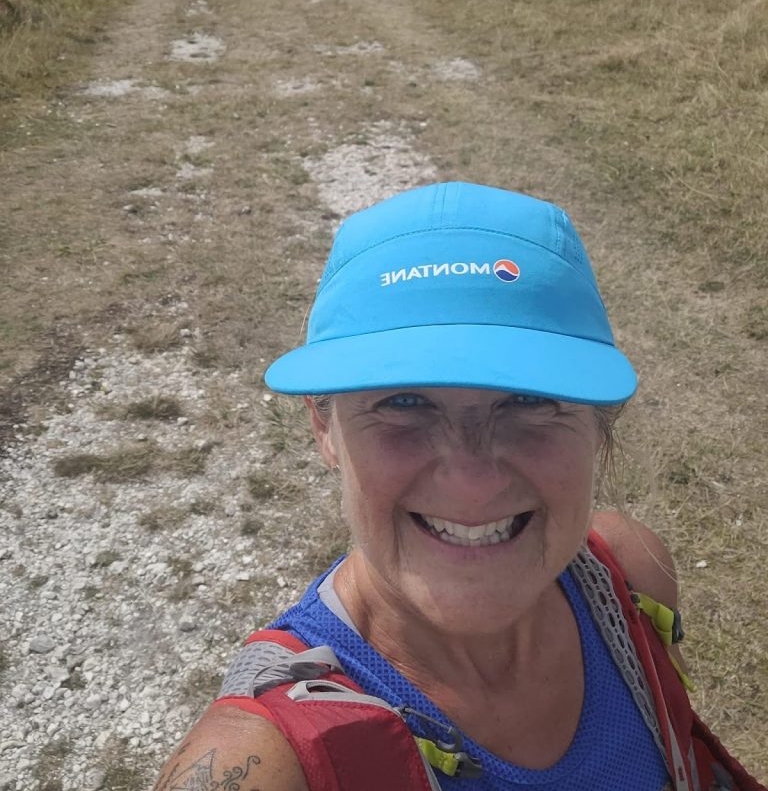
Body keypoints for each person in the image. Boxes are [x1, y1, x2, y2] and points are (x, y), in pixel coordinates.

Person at [153, 183, 765, 791]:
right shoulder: (274, 760)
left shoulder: (629, 576)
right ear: (326, 428)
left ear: (596, 429)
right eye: (404, 402)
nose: (471, 481)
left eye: (530, 401)